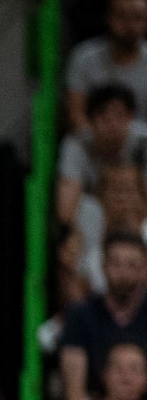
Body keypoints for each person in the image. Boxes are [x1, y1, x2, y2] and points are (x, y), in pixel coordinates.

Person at [58, 85, 147, 296]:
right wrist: (68, 270)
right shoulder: (88, 219)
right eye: (115, 191)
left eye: (128, 191)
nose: (122, 199)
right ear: (102, 197)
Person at [61, 234, 147, 400]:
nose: (123, 273)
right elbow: (74, 397)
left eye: (132, 265)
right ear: (103, 266)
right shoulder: (80, 315)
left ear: (144, 268)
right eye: (116, 264)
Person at [66, 0, 147, 134]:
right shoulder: (84, 56)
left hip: (142, 143)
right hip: (95, 141)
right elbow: (75, 113)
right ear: (109, 17)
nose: (129, 25)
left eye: (137, 17)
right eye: (122, 16)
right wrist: (103, 141)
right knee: (71, 147)